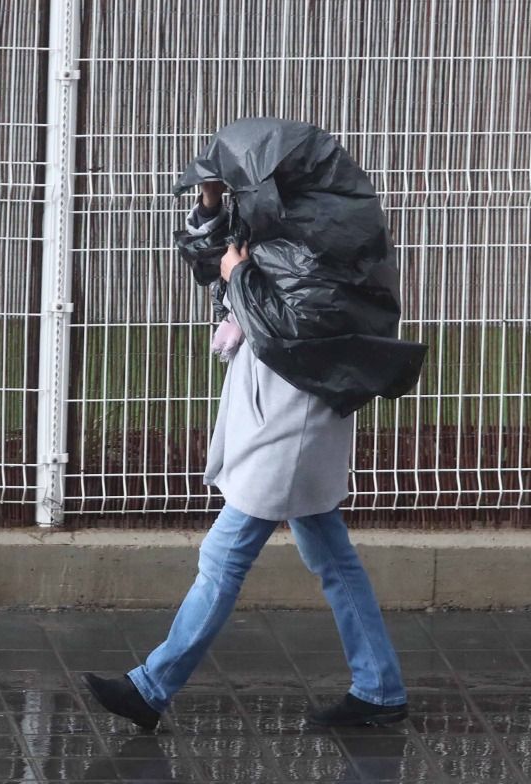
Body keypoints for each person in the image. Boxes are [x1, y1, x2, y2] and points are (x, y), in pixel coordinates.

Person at [83, 119, 423, 732]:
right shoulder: (291, 225)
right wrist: (211, 203)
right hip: (284, 412)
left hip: (292, 419)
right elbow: (212, 265)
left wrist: (239, 275)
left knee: (223, 555)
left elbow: (290, 321)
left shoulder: (324, 241)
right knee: (333, 560)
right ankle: (380, 688)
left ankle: (151, 688)